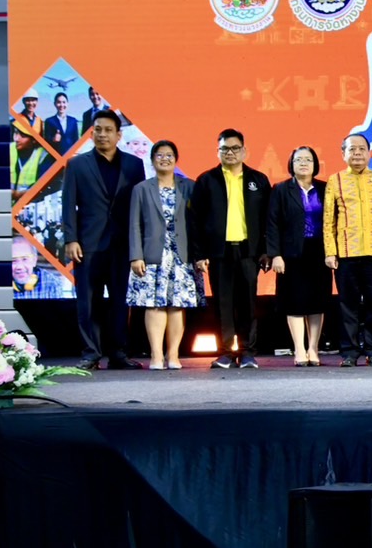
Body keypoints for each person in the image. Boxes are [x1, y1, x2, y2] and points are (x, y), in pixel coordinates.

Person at [61, 109, 146, 369]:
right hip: (87, 244)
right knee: (88, 302)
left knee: (120, 301)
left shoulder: (134, 164)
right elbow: (68, 204)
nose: (102, 134)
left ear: (119, 135)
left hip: (122, 244)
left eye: (108, 130)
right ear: (91, 133)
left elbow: (139, 207)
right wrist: (71, 239)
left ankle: (118, 353)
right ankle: (91, 354)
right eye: (98, 129)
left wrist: (138, 245)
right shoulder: (77, 164)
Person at [191, 129, 272, 369]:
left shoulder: (258, 180)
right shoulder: (206, 180)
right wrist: (199, 254)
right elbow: (195, 220)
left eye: (235, 148)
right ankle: (226, 352)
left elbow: (268, 219)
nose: (230, 153)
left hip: (249, 251)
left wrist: (266, 251)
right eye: (224, 149)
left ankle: (247, 351)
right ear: (217, 152)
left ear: (244, 151)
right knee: (222, 304)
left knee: (248, 303)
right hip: (219, 251)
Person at [127, 140, 201, 371]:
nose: (164, 159)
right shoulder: (141, 189)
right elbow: (134, 224)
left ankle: (174, 355)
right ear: (152, 160)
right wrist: (136, 255)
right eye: (159, 155)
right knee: (154, 305)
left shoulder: (189, 186)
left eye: (169, 155)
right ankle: (156, 355)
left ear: (176, 159)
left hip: (182, 255)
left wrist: (200, 254)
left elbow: (199, 223)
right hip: (152, 255)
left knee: (177, 305)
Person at [324, 133, 372, 367]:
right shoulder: (336, 180)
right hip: (345, 252)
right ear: (343, 153)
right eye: (352, 149)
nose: (357, 154)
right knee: (348, 305)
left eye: (362, 149)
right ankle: (349, 352)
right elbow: (329, 219)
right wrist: (330, 251)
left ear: (369, 153)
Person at [266, 146, 330, 367]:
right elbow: (272, 224)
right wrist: (275, 254)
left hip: (320, 252)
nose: (303, 163)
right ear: (291, 164)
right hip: (291, 254)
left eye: (308, 159)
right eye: (298, 159)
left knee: (317, 301)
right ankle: (299, 349)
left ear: (315, 164)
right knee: (294, 302)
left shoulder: (325, 188)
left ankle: (313, 348)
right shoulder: (281, 189)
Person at [10, 123, 56, 201]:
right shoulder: (9, 148)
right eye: (16, 133)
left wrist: (17, 195)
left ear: (34, 140)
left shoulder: (43, 156)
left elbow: (42, 189)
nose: (16, 139)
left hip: (29, 204)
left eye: (23, 136)